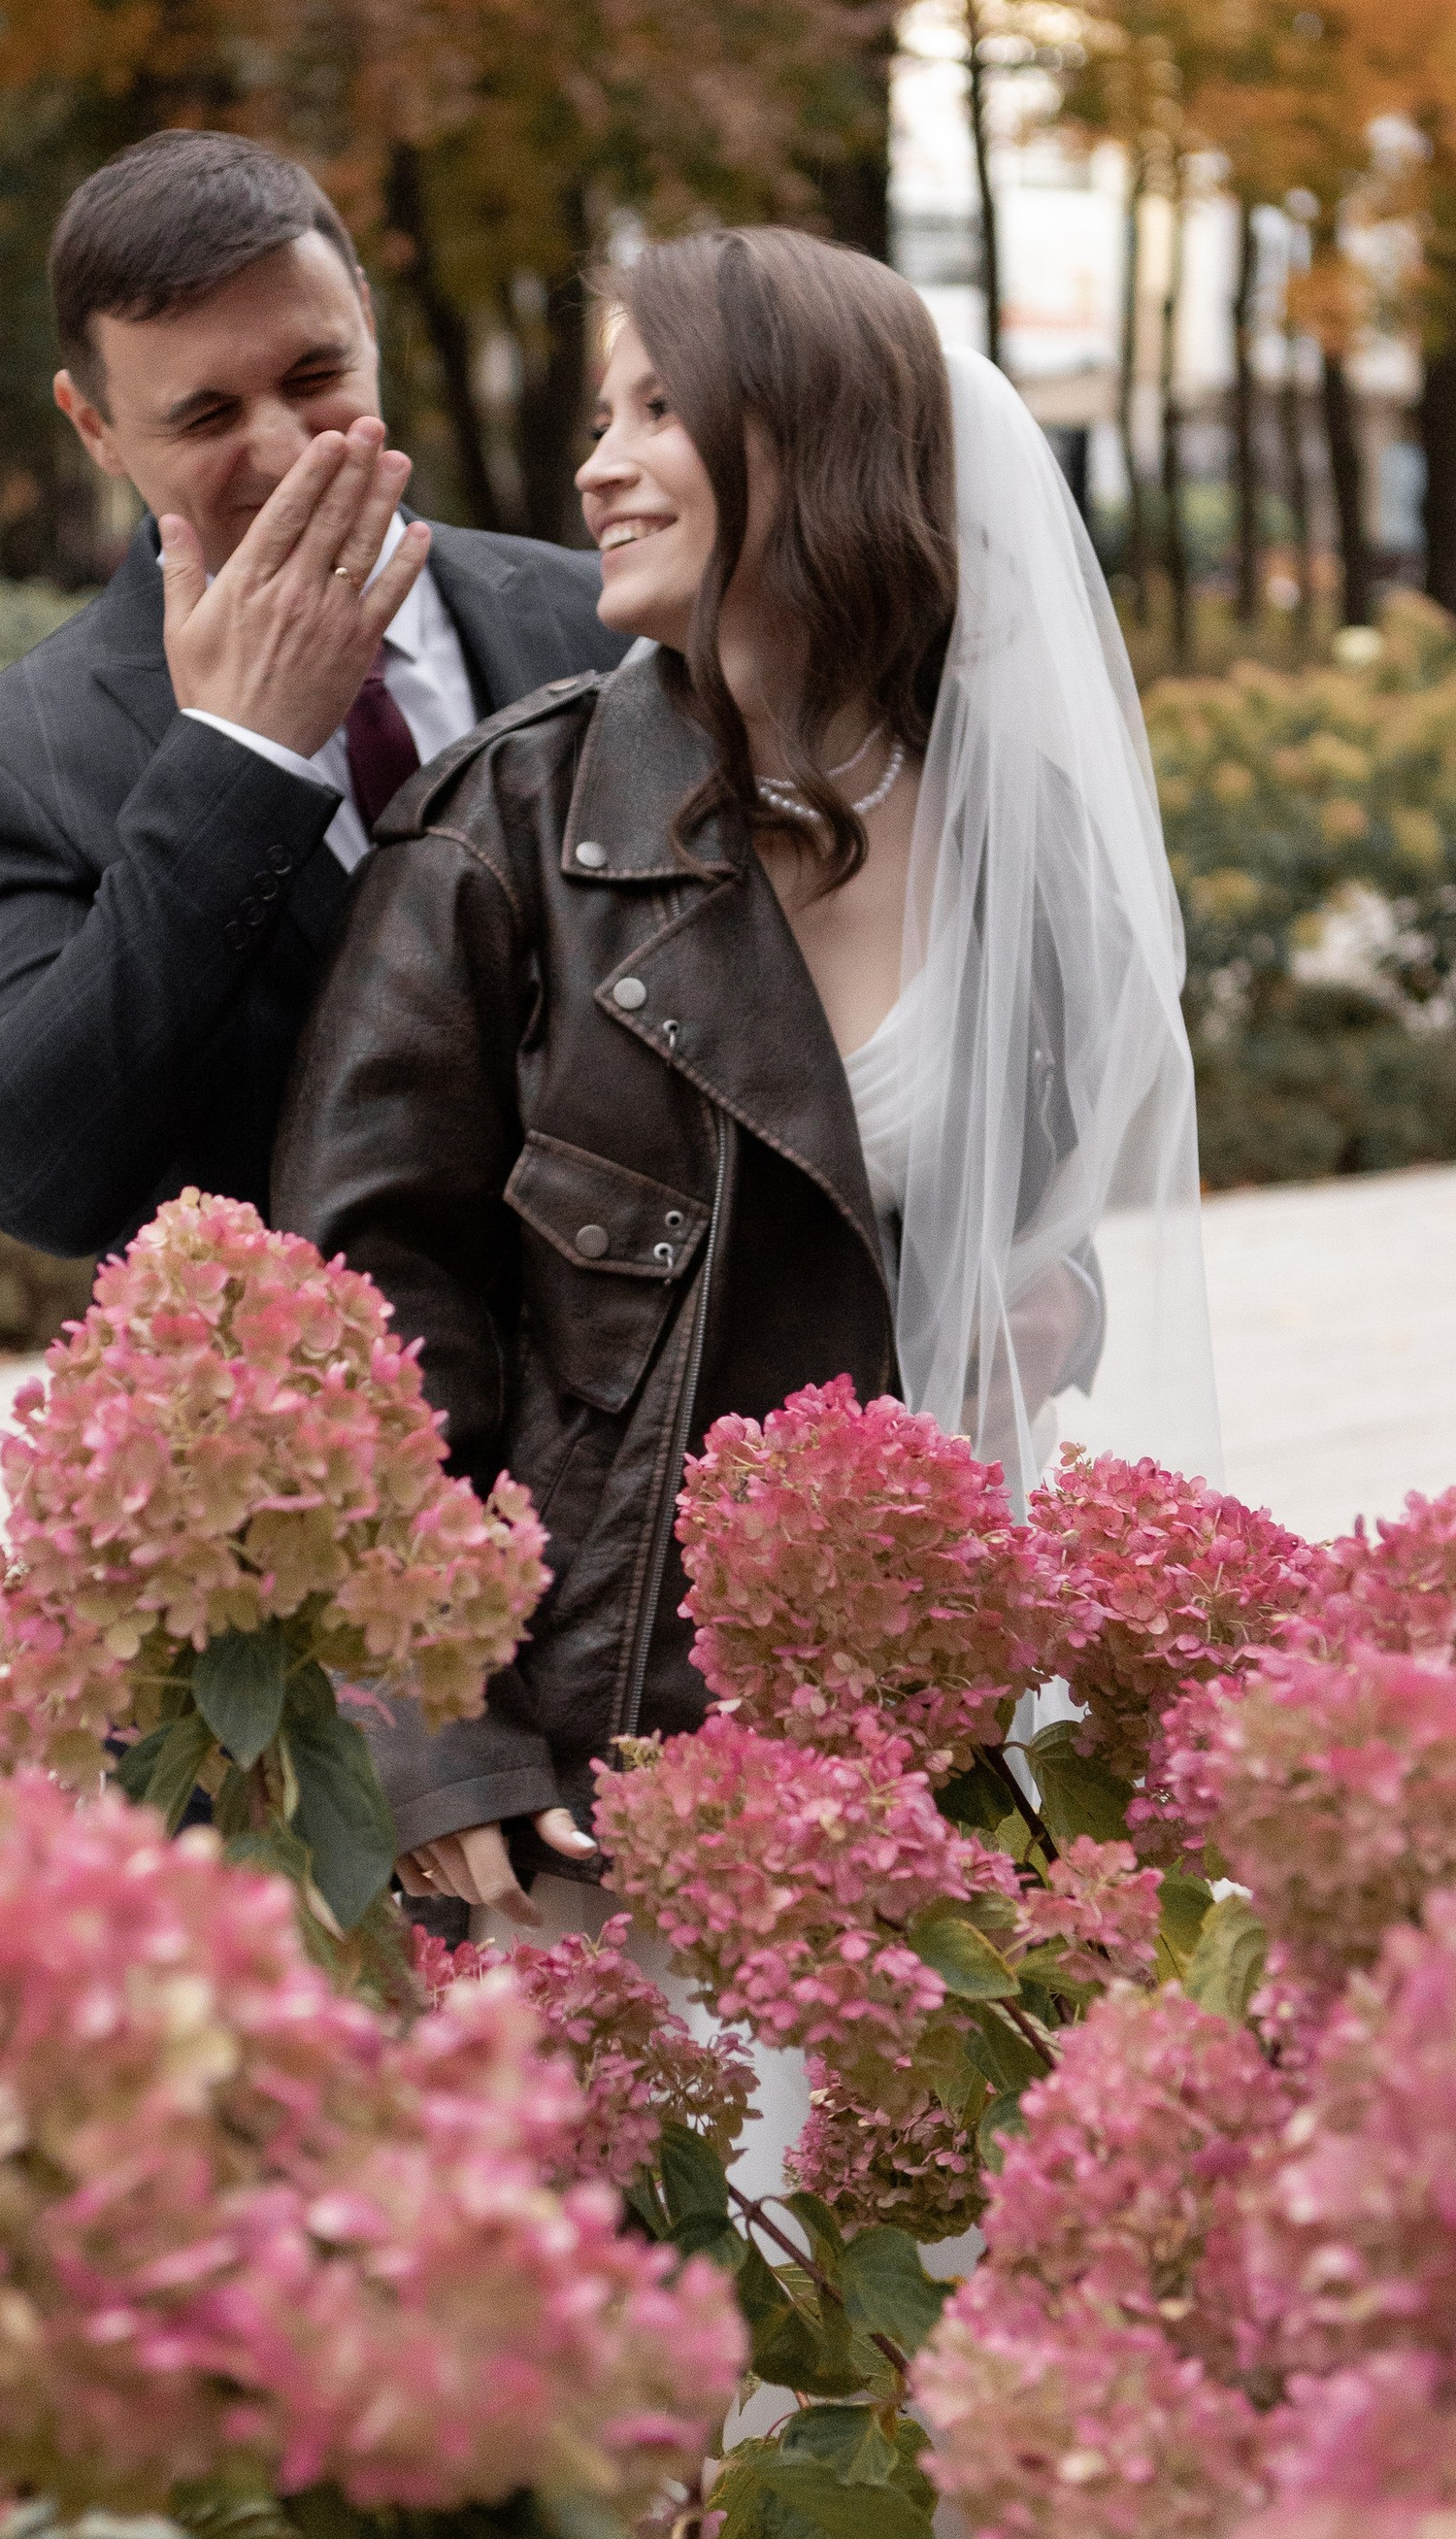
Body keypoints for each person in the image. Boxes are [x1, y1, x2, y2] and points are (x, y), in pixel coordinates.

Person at [273, 226, 1216, 1930]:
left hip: (931, 1725)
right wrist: (434, 1745)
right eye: (600, 416)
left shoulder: (1025, 841)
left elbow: (1031, 1223)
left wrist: (1048, 1305)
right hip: (597, 1765)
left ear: (816, 440)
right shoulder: (502, 831)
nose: (597, 466)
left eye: (659, 409)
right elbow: (360, 1324)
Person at [0, 131, 612, 1261]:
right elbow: (35, 1177)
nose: (285, 454)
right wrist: (239, 757)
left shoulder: (601, 621)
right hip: (322, 1367)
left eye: (314, 377)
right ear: (94, 427)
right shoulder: (16, 760)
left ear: (367, 320)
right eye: (206, 417)